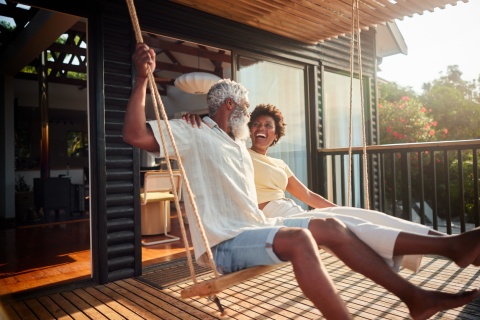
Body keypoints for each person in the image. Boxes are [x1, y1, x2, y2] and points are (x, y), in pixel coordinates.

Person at [124, 43, 480, 320]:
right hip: (224, 242)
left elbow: (300, 190)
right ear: (231, 105)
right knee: (300, 239)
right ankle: (446, 251)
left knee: (331, 224)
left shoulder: (236, 142)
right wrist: (143, 79)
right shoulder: (192, 130)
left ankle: (417, 294)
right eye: (248, 109)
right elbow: (135, 134)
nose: (252, 121)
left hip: (254, 225)